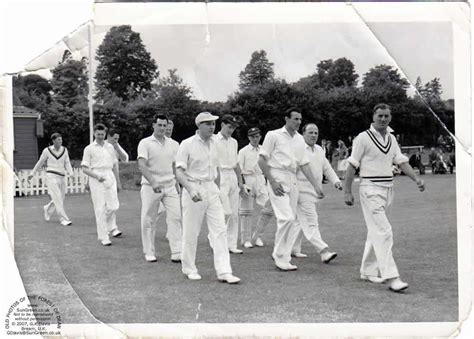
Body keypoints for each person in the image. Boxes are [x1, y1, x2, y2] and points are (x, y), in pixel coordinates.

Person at [344, 103, 425, 292]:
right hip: (370, 188)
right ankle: (392, 277)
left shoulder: (392, 138)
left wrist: (416, 179)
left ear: (390, 117)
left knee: (375, 231)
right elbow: (351, 165)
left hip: (388, 188)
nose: (383, 119)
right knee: (384, 231)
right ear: (373, 116)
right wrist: (347, 191)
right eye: (380, 115)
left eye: (386, 116)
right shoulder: (362, 138)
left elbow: (401, 161)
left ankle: (367, 271)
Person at [175, 112, 240, 284]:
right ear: (199, 126)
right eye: (208, 124)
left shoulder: (215, 144)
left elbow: (216, 170)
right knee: (191, 231)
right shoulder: (187, 144)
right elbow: (179, 172)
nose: (212, 127)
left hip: (211, 188)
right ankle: (189, 268)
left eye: (213, 124)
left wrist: (217, 190)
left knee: (219, 230)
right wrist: (190, 189)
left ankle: (224, 271)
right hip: (194, 187)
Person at [258, 108, 325, 271]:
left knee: (291, 218)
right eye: (295, 119)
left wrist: (316, 185)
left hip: (293, 179)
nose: (298, 122)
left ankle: (283, 255)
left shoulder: (300, 140)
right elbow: (261, 160)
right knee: (286, 218)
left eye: (300, 119)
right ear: (286, 119)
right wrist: (272, 182)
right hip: (277, 177)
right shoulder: (273, 135)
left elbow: (304, 164)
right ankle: (280, 257)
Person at [290, 123, 342, 262]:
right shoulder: (298, 149)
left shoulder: (319, 149)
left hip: (314, 192)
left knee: (299, 222)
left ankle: (291, 249)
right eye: (311, 132)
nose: (314, 135)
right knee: (311, 221)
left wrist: (336, 181)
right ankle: (323, 251)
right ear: (303, 134)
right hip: (301, 191)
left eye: (316, 133)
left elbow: (327, 167)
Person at [137, 114, 182, 263]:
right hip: (151, 186)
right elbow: (142, 165)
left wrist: (179, 184)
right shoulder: (145, 143)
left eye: (165, 125)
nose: (163, 128)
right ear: (154, 125)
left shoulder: (174, 144)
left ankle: (177, 251)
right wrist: (153, 181)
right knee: (149, 219)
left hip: (169, 186)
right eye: (160, 125)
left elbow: (176, 167)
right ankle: (149, 251)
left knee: (176, 217)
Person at [81, 123, 123, 246]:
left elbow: (115, 165)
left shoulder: (110, 147)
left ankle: (109, 226)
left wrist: (117, 181)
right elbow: (84, 168)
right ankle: (104, 236)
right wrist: (96, 176)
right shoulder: (89, 149)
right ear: (94, 133)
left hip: (109, 175)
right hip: (96, 177)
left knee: (113, 206)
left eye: (102, 134)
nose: (100, 136)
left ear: (105, 134)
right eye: (98, 134)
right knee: (100, 208)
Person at [214, 114, 248, 254]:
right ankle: (215, 239)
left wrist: (240, 181)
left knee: (234, 213)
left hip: (232, 176)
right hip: (220, 175)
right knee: (225, 212)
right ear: (222, 125)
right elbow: (213, 162)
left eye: (233, 128)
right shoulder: (214, 140)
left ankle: (231, 244)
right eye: (229, 127)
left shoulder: (233, 142)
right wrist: (216, 182)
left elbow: (236, 163)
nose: (231, 130)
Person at [238, 127, 273, 248]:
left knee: (269, 208)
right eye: (253, 136)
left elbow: (269, 167)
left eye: (257, 136)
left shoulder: (264, 150)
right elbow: (239, 169)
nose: (255, 139)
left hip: (260, 179)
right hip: (248, 179)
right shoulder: (243, 151)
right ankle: (245, 239)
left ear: (260, 137)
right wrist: (242, 184)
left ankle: (258, 236)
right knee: (246, 211)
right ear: (249, 137)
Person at [28, 133, 73, 226]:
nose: (60, 141)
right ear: (53, 141)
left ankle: (47, 208)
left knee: (60, 198)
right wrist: (32, 173)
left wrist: (71, 173)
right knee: (57, 197)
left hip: (62, 176)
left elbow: (67, 162)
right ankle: (63, 219)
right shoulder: (47, 150)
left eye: (61, 139)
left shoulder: (64, 150)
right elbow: (40, 162)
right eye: (58, 140)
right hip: (51, 176)